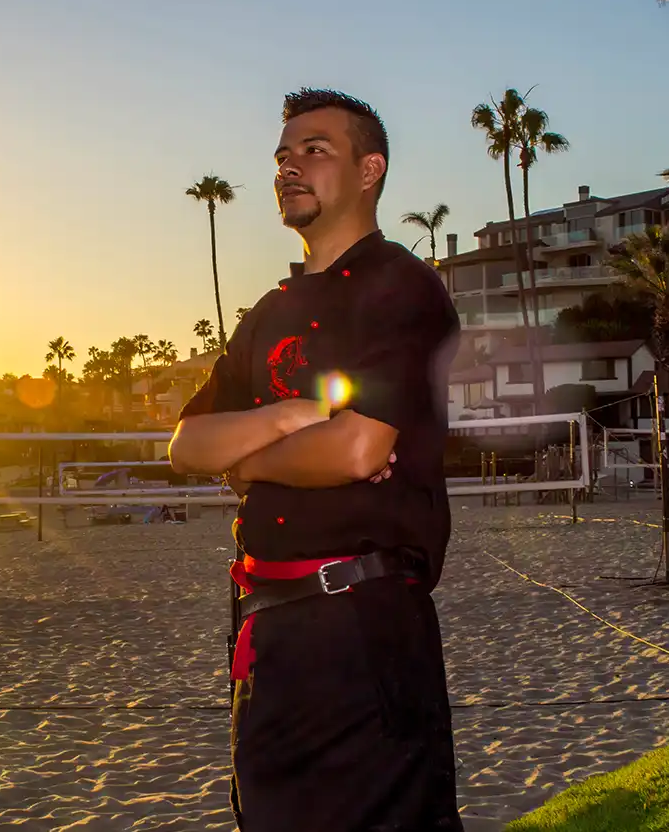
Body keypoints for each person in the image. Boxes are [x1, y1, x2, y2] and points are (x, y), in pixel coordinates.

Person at [168, 88, 463, 831]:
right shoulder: (270, 312)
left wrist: (246, 463)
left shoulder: (402, 287)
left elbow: (359, 447)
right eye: (282, 156)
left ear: (369, 170)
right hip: (266, 635)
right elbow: (185, 445)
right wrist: (284, 419)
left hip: (363, 629)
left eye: (314, 150)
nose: (288, 167)